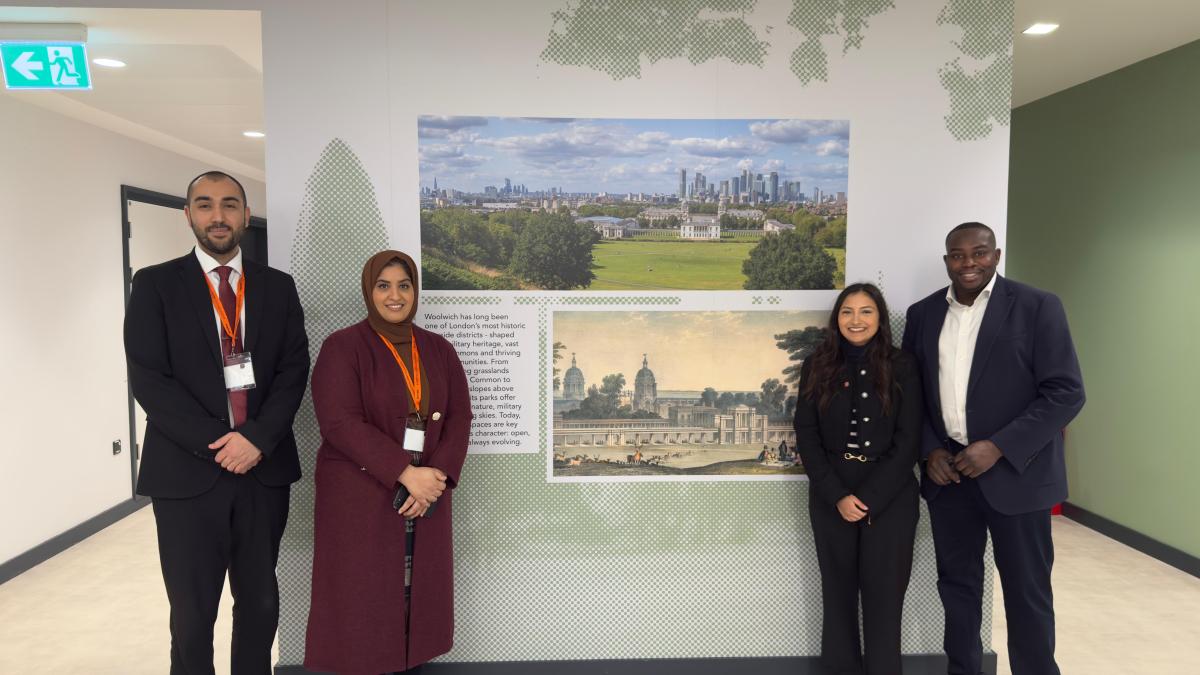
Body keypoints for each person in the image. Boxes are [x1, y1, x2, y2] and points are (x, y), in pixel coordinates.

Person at [124, 171, 310, 674]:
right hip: (187, 476)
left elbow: (295, 370)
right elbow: (150, 378)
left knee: (261, 605)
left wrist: (256, 440)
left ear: (246, 216)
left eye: (230, 205)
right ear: (188, 216)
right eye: (204, 205)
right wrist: (221, 443)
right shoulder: (155, 285)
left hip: (262, 471)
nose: (218, 215)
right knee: (192, 612)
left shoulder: (277, 287)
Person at [902, 222, 1085, 675]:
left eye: (979, 253)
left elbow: (1065, 393)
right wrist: (929, 450)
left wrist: (999, 447)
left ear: (997, 255)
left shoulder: (1037, 307)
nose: (969, 264)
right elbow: (912, 395)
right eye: (958, 255)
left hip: (1017, 478)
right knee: (957, 589)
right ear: (947, 261)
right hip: (950, 478)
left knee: (1027, 593)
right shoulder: (922, 314)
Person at [304, 250, 472, 674]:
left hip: (426, 493)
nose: (395, 296)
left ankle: (406, 661)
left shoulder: (438, 349)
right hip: (360, 496)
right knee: (363, 597)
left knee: (415, 590)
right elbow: (339, 422)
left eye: (404, 285)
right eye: (383, 286)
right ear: (369, 291)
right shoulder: (342, 347)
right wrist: (404, 473)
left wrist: (438, 478)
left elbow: (459, 416)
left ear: (415, 291)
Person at [793, 282, 923, 675]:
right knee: (838, 598)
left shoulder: (903, 365)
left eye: (866, 311)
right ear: (837, 318)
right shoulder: (816, 365)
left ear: (880, 318)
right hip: (831, 496)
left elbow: (910, 438)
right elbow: (806, 434)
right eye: (847, 311)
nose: (856, 320)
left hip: (892, 499)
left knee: (884, 600)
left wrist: (869, 499)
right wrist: (836, 495)